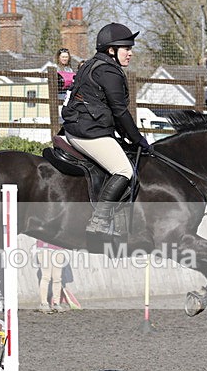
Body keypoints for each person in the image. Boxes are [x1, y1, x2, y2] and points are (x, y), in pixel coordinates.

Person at [61, 22, 149, 237]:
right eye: (126, 48)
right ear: (112, 50)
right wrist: (138, 139)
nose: (130, 53)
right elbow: (119, 111)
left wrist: (129, 137)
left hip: (79, 127)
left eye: (130, 49)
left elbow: (109, 109)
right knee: (124, 170)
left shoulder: (93, 65)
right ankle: (99, 220)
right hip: (88, 132)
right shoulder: (109, 72)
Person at [35, 240, 69, 313]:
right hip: (44, 248)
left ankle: (56, 303)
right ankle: (44, 303)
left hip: (59, 249)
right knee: (46, 277)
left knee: (57, 278)